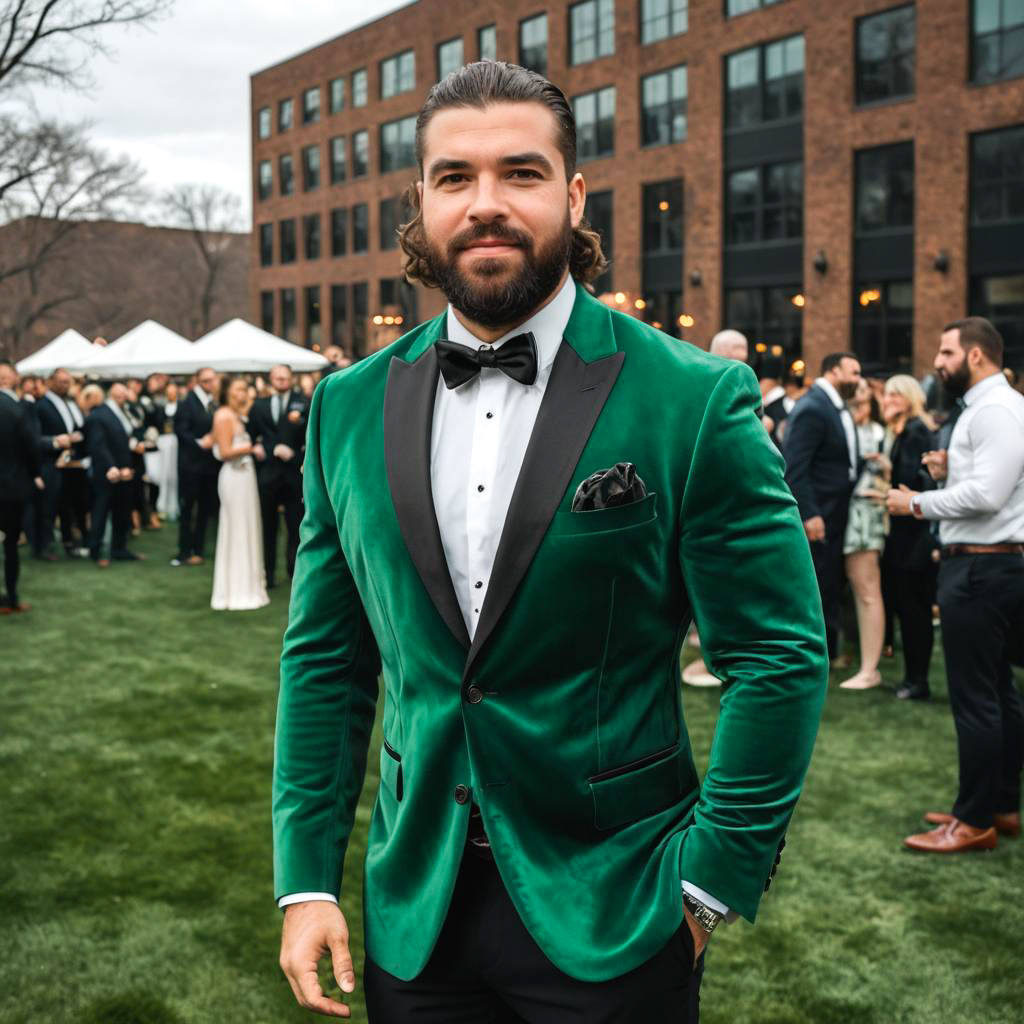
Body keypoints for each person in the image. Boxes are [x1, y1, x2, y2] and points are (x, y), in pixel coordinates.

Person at [273, 61, 828, 1024]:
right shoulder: (347, 406)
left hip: (619, 911)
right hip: (417, 920)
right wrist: (306, 880)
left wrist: (704, 888)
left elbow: (778, 656)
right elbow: (326, 660)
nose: (485, 204)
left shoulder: (694, 399)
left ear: (573, 197)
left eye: (520, 174)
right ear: (422, 200)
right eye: (456, 178)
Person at [889, 317, 1023, 853]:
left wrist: (915, 502)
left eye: (946, 352)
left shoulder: (993, 410)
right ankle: (1000, 804)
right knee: (998, 693)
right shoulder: (998, 407)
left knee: (976, 701)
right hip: (991, 566)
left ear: (975, 355)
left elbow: (989, 498)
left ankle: (972, 821)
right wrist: (952, 471)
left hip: (980, 570)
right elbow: (996, 486)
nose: (937, 362)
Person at [682, 327, 750, 688]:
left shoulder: (743, 393)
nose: (742, 360)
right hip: (700, 508)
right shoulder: (697, 390)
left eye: (745, 353)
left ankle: (722, 659)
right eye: (734, 352)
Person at [784, 352, 863, 660]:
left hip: (837, 511)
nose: (858, 380)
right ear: (832, 372)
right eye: (853, 373)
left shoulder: (830, 406)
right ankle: (819, 652)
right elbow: (796, 467)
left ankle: (829, 649)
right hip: (821, 513)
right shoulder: (814, 407)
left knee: (830, 582)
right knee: (819, 584)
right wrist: (810, 513)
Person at [879, 376, 938, 701]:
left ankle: (918, 681)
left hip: (914, 537)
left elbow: (910, 481)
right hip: (905, 535)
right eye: (885, 394)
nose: (886, 400)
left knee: (914, 612)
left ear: (909, 397)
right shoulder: (906, 429)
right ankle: (912, 678)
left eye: (894, 394)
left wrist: (889, 471)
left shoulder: (916, 430)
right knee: (907, 610)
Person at [839, 380, 889, 690]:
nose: (859, 408)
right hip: (844, 513)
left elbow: (885, 477)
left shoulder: (877, 434)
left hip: (864, 515)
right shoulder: (841, 424)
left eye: (864, 402)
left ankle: (870, 669)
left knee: (867, 589)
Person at [210, 377, 269, 611]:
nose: (242, 393)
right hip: (234, 476)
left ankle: (249, 584)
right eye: (238, 389)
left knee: (248, 526)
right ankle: (234, 590)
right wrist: (252, 447)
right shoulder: (223, 416)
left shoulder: (235, 414)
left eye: (245, 389)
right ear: (227, 392)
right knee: (236, 528)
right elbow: (225, 451)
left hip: (245, 476)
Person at [248, 364, 308, 589]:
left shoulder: (304, 403)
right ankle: (269, 574)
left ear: (291, 379)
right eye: (277, 378)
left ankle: (295, 575)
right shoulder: (259, 405)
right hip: (269, 475)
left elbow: (311, 435)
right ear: (271, 380)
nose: (281, 381)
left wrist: (295, 455)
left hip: (294, 475)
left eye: (285, 377)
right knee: (268, 526)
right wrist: (261, 448)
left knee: (296, 527)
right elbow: (252, 435)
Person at [0, 362, 44, 614]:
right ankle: (11, 597)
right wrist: (36, 473)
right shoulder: (17, 410)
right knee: (11, 543)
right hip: (12, 487)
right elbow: (32, 447)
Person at [85, 382, 142, 566]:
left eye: (124, 395)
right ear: (110, 394)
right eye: (118, 395)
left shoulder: (125, 411)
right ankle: (96, 550)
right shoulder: (99, 414)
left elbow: (125, 436)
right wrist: (111, 467)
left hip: (126, 470)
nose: (121, 398)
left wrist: (134, 444)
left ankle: (119, 549)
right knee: (101, 511)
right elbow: (98, 445)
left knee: (122, 511)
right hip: (106, 472)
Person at [35, 368, 87, 557]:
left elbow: (77, 426)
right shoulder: (41, 405)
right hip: (50, 464)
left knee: (68, 506)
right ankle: (44, 546)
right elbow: (35, 437)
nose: (65, 385)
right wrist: (56, 441)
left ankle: (69, 542)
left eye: (67, 382)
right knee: (48, 507)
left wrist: (77, 436)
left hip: (70, 464)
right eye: (61, 381)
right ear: (50, 382)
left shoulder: (70, 403)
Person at [173, 367, 219, 567]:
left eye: (212, 380)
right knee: (187, 509)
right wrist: (201, 443)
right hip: (190, 466)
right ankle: (184, 551)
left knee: (204, 510)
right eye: (206, 380)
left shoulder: (214, 403)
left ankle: (198, 549)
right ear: (198, 381)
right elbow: (181, 432)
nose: (210, 384)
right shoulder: (186, 403)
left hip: (210, 466)